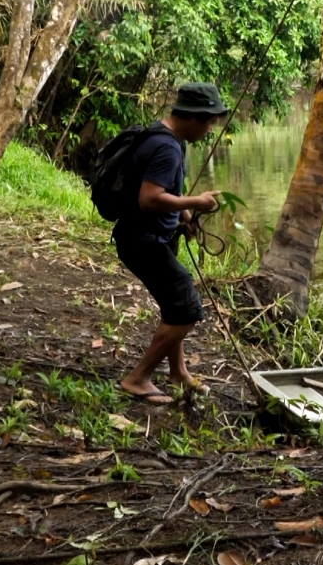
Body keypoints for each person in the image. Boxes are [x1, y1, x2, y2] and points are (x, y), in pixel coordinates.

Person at [114, 83, 229, 404]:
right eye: (209, 123)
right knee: (187, 309)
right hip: (143, 242)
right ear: (194, 117)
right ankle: (138, 378)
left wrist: (185, 216)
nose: (210, 129)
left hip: (150, 237)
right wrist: (198, 201)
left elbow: (168, 191)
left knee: (173, 305)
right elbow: (150, 198)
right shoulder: (166, 148)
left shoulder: (166, 138)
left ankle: (178, 373)